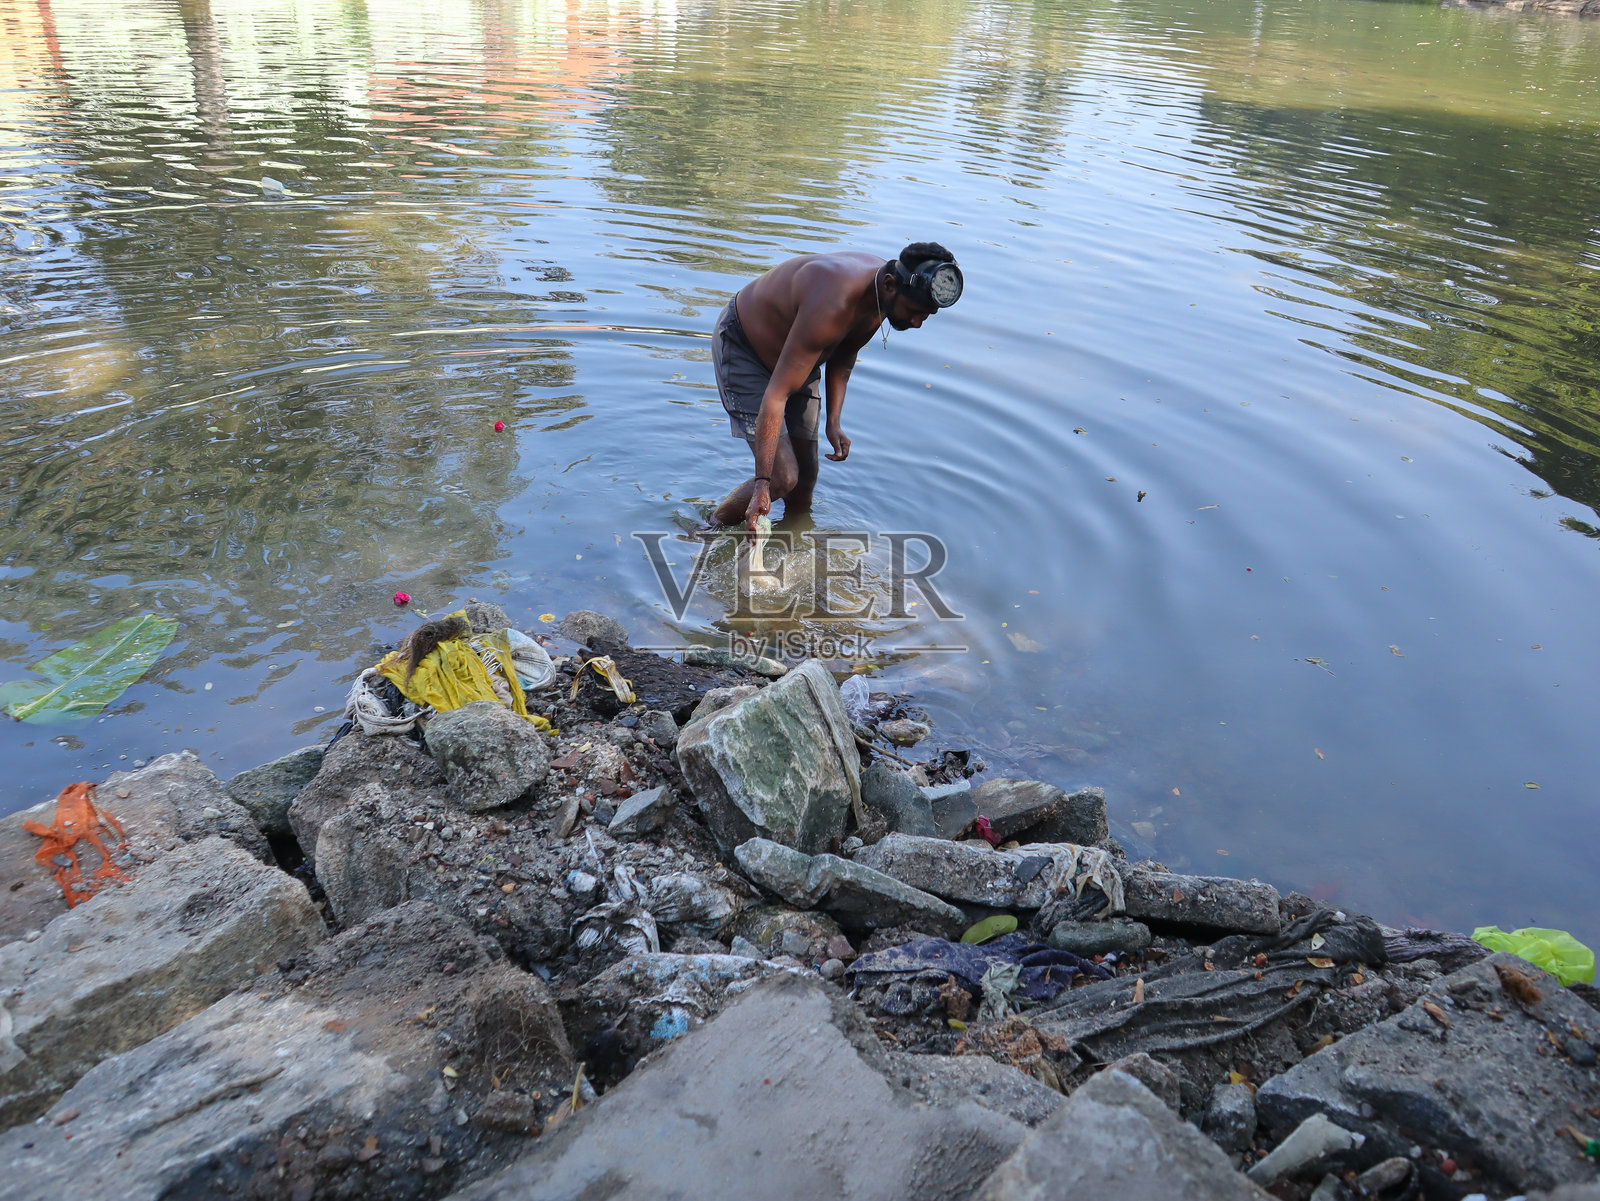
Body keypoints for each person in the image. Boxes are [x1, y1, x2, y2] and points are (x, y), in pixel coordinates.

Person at [705, 241, 964, 531]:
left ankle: (794, 546)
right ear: (890, 285)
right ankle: (705, 532)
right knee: (783, 477)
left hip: (798, 357)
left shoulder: (884, 293)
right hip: (745, 349)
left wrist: (834, 422)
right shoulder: (833, 302)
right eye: (915, 311)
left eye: (927, 316)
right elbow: (776, 396)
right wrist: (763, 485)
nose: (917, 323)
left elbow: (844, 355)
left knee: (805, 480)